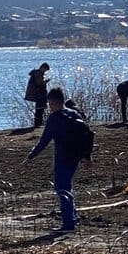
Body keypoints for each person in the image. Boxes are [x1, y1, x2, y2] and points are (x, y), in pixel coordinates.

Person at [25, 87, 91, 232]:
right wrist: (86, 157)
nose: (49, 106)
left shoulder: (54, 119)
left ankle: (68, 223)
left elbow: (44, 141)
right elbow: (87, 134)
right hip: (75, 157)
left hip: (63, 158)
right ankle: (73, 216)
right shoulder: (74, 113)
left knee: (62, 189)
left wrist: (31, 156)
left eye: (49, 103)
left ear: (52, 103)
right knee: (67, 186)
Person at [23, 62, 51, 128]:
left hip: (37, 93)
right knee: (39, 110)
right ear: (42, 68)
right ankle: (38, 124)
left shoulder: (37, 73)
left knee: (40, 109)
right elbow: (39, 83)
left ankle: (38, 124)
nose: (45, 71)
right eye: (45, 70)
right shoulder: (38, 73)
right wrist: (46, 81)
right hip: (38, 93)